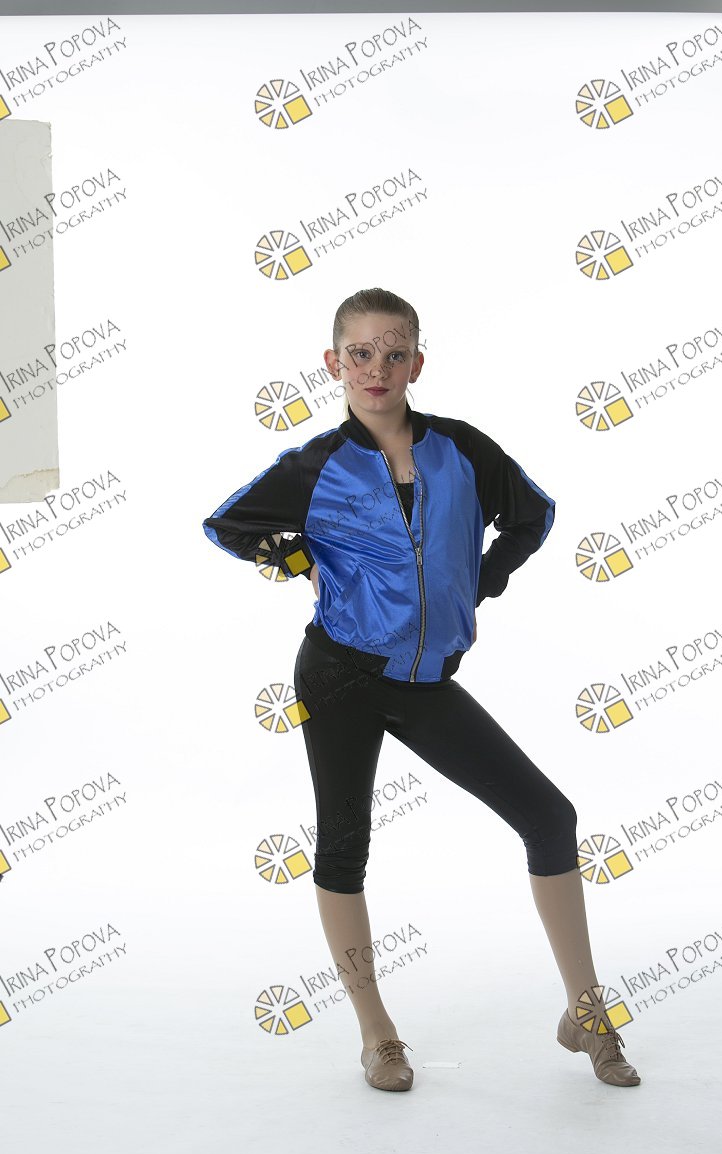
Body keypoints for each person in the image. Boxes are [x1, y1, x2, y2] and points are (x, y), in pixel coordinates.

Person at [203, 287, 641, 1092]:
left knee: (549, 818)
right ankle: (377, 1033)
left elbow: (533, 515)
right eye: (360, 353)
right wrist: (300, 560)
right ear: (333, 363)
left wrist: (480, 580)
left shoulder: (461, 451)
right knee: (344, 845)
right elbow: (227, 524)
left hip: (427, 683)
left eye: (394, 352)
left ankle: (586, 1013)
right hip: (337, 674)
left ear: (417, 363)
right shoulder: (316, 466)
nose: (377, 368)